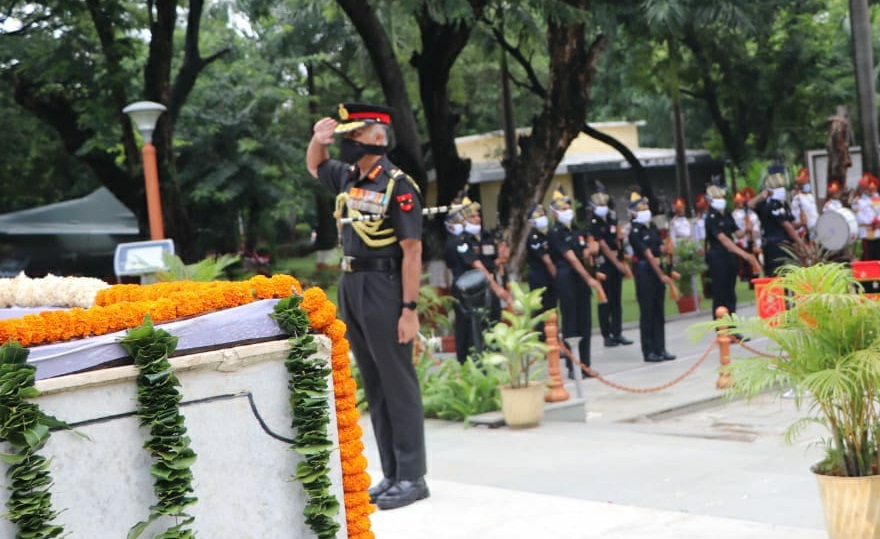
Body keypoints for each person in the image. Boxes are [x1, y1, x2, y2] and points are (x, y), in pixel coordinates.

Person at [306, 102, 428, 510]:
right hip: (352, 284)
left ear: (377, 137)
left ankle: (413, 476)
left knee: (398, 380)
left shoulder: (397, 184)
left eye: (354, 135)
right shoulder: (349, 176)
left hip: (385, 285)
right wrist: (316, 140)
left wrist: (409, 309)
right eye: (346, 136)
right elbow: (315, 166)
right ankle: (392, 472)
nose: (347, 142)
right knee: (374, 382)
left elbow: (412, 251)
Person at [547, 185, 605, 378]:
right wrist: (589, 278)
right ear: (555, 214)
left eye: (568, 208)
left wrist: (592, 249)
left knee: (585, 321)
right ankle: (574, 367)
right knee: (571, 320)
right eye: (563, 209)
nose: (567, 212)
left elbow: (581, 254)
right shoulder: (556, 232)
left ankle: (586, 364)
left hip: (579, 277)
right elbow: (571, 258)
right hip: (567, 277)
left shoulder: (576, 231)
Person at [450, 195, 510, 364]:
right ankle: (470, 367)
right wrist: (498, 289)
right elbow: (478, 267)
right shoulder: (461, 240)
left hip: (488, 289)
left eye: (478, 216)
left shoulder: (486, 237)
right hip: (469, 292)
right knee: (470, 332)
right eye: (472, 216)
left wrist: (502, 259)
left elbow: (491, 264)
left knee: (492, 325)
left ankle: (494, 362)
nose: (477, 219)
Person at [627, 191, 676, 363]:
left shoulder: (652, 227)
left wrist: (667, 248)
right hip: (646, 271)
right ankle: (649, 350)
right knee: (647, 312)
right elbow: (647, 254)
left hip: (657, 268)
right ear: (633, 212)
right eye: (641, 208)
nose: (645, 210)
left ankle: (660, 347)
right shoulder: (635, 231)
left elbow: (659, 248)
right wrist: (661, 274)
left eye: (646, 207)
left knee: (658, 311)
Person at [703, 182, 762, 319]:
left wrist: (747, 228)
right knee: (720, 293)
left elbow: (737, 234)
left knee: (730, 293)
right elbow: (725, 241)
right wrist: (746, 255)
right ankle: (722, 328)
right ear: (711, 201)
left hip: (729, 257)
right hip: (718, 256)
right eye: (717, 198)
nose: (721, 200)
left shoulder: (726, 214)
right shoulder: (711, 218)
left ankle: (733, 326)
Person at [588, 183, 633, 348]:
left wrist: (622, 259)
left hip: (616, 262)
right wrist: (617, 263)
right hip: (604, 264)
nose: (603, 208)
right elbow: (603, 246)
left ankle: (618, 332)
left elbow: (617, 240)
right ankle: (606, 335)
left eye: (604, 204)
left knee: (616, 300)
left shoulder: (612, 218)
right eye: (600, 205)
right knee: (605, 300)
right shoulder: (594, 222)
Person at [748, 166, 805, 277]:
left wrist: (801, 223)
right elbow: (787, 226)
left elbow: (791, 224)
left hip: (786, 243)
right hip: (775, 245)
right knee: (777, 275)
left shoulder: (783, 204)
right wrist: (801, 243)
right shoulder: (769, 205)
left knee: (790, 275)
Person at [525, 202, 557, 339]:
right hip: (539, 277)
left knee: (552, 309)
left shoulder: (548, 234)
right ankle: (544, 341)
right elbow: (547, 260)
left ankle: (554, 338)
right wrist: (556, 275)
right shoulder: (534, 236)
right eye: (538, 215)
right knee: (541, 310)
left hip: (548, 277)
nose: (542, 217)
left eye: (543, 214)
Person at [731, 187, 762, 285]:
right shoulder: (735, 214)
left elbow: (757, 227)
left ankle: (755, 277)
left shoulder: (753, 214)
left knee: (755, 261)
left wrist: (757, 241)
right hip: (742, 240)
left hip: (753, 239)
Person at [853, 172, 880, 261]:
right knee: (868, 257)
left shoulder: (871, 199)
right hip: (866, 233)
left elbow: (876, 211)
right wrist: (871, 220)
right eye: (864, 187)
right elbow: (859, 217)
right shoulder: (856, 200)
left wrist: (877, 220)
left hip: (877, 232)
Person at [790, 167, 818, 242]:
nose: (808, 184)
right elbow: (795, 219)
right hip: (805, 235)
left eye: (808, 182)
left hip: (815, 233)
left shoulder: (811, 197)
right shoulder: (797, 198)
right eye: (806, 183)